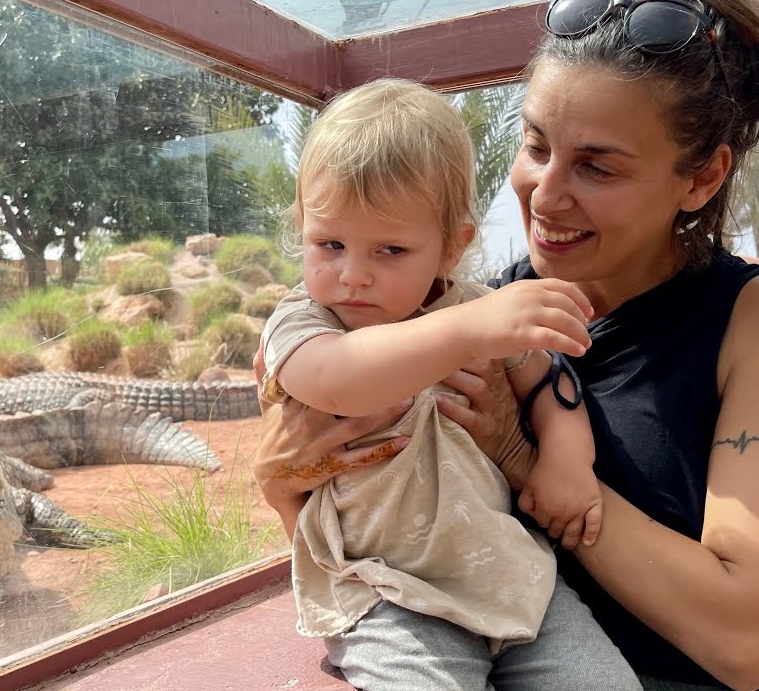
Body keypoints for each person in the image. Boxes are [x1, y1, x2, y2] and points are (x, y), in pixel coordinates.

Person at [253, 0, 759, 689]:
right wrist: (286, 484)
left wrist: (516, 450)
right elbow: (386, 538)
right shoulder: (479, 310)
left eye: (597, 166)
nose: (545, 192)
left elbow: (748, 642)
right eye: (536, 146)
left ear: (701, 179)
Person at [258, 77, 637, 690]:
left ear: (451, 248)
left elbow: (552, 385)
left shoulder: (475, 308)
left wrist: (567, 462)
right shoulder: (305, 320)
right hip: (386, 592)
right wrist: (468, 331)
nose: (352, 276)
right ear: (301, 226)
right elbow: (338, 381)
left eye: (390, 250)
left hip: (512, 575)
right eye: (329, 243)